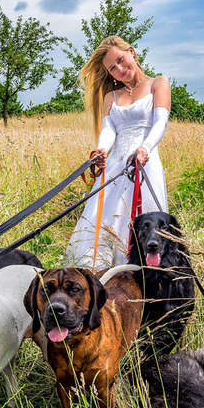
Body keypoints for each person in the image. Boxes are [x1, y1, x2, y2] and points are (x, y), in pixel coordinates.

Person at [65, 35, 171, 269]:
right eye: (113, 68)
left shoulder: (158, 83)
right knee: (105, 218)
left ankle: (143, 270)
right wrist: (101, 150)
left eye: (121, 60)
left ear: (131, 52)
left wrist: (145, 149)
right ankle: (101, 271)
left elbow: (160, 122)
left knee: (146, 221)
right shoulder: (111, 97)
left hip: (145, 163)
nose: (120, 69)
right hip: (115, 166)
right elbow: (109, 130)